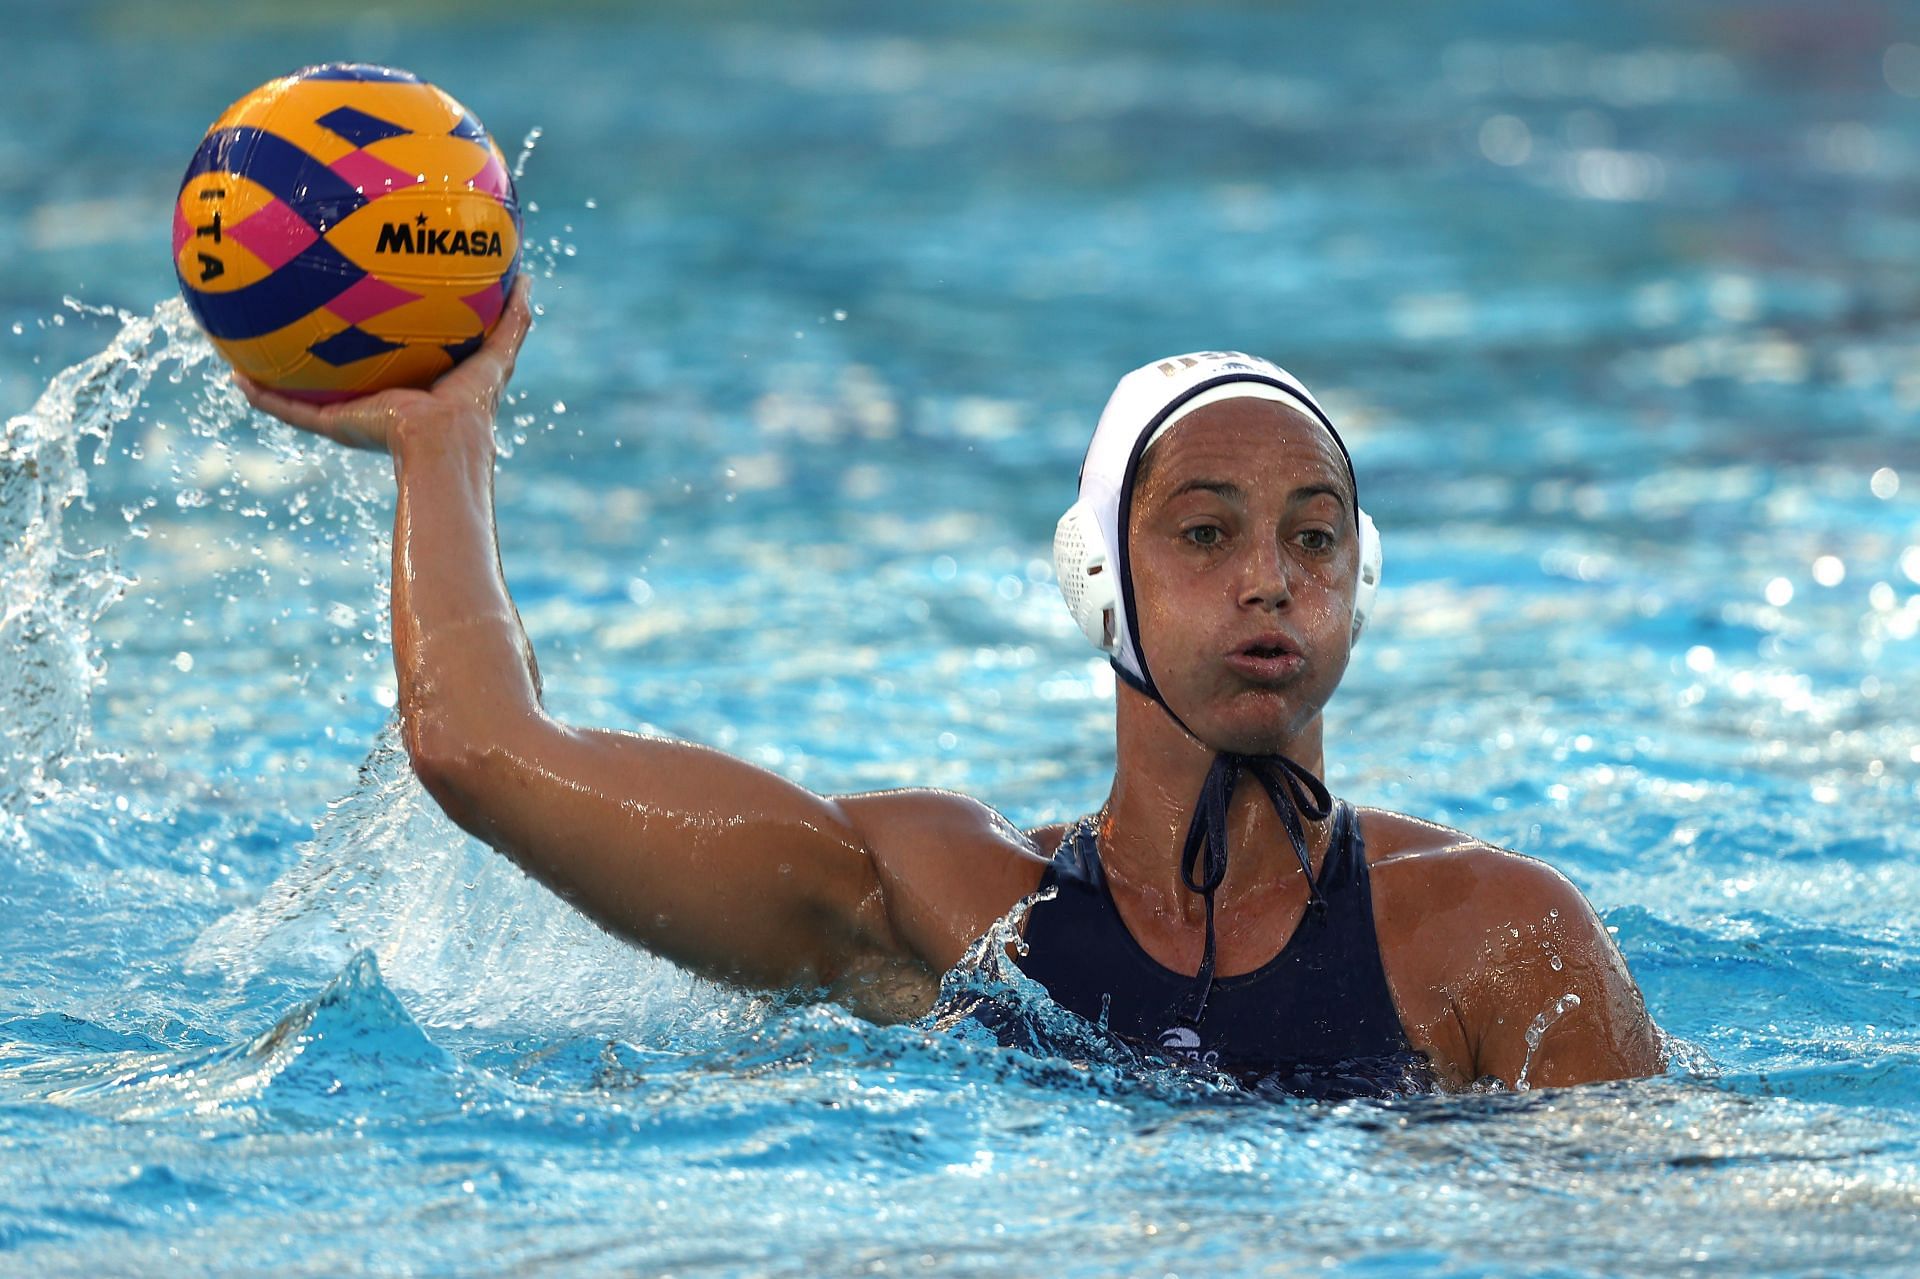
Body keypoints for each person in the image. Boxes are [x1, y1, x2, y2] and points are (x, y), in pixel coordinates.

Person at [235, 279, 1665, 1097]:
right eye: (1206, 530)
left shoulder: (1491, 935)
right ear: (1101, 578)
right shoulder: (941, 903)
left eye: (1314, 538)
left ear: (1361, 585)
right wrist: (446, 442)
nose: (1270, 578)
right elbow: (483, 752)